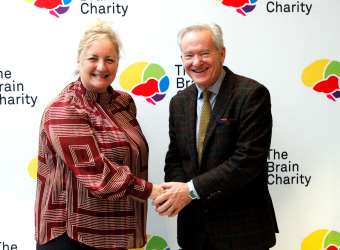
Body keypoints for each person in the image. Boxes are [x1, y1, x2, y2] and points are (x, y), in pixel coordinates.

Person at [35, 20, 164, 250]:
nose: (102, 67)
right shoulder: (65, 108)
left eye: (110, 59)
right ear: (79, 60)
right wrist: (153, 191)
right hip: (72, 237)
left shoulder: (124, 103)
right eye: (93, 58)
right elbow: (98, 175)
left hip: (115, 234)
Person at [152, 22, 278, 249]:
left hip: (243, 232)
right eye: (189, 55)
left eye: (204, 53)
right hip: (194, 231)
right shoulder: (179, 102)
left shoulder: (251, 94)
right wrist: (176, 193)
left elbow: (247, 161)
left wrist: (190, 191)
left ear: (221, 53)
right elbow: (176, 158)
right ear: (182, 59)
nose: (196, 62)